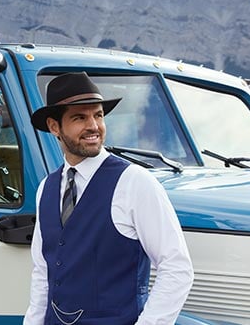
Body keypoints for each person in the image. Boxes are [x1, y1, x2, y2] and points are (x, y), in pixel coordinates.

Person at [24, 72, 193, 325]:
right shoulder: (46, 188)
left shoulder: (135, 181)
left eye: (98, 115)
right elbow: (43, 273)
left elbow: (177, 268)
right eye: (80, 117)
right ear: (54, 126)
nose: (93, 126)